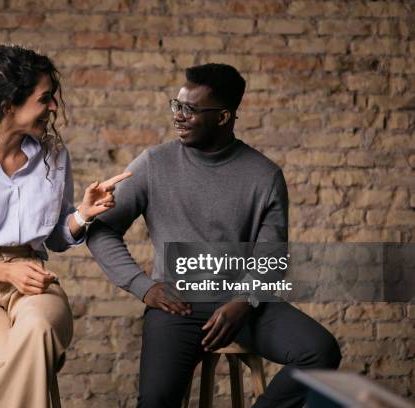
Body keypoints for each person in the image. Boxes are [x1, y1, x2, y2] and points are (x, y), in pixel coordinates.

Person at [87, 63, 342, 408]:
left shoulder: (264, 176)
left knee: (320, 352)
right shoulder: (153, 164)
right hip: (177, 305)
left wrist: (242, 302)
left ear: (223, 117)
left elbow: (271, 257)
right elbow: (100, 230)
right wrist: (142, 286)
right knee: (157, 400)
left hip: (245, 306)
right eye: (176, 105)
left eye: (189, 110)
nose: (178, 116)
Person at [0, 44, 130, 408]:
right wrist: (6, 271)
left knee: (36, 333)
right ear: (9, 105)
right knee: (23, 369)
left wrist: (81, 215)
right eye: (44, 99)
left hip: (35, 288)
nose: (53, 108)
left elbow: (55, 238)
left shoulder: (53, 156)